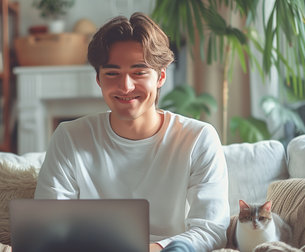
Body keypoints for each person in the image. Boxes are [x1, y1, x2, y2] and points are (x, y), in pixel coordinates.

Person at [34, 12, 230, 252]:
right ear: (98, 79)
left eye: (139, 72)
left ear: (161, 77)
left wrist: (152, 249)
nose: (125, 86)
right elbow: (48, 226)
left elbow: (211, 229)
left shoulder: (198, 138)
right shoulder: (70, 137)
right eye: (112, 73)